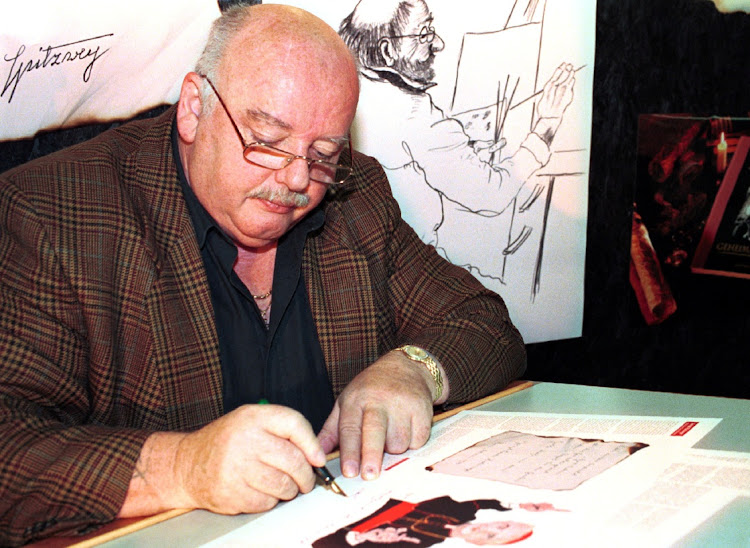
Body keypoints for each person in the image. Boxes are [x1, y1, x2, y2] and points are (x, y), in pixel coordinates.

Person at [0, 4, 526, 545]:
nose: (298, 179)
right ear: (193, 109)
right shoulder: (52, 216)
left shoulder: (354, 197)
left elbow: (482, 324)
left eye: (323, 153)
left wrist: (413, 369)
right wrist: (183, 468)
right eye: (269, 140)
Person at [339, 0, 575, 273]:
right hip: (406, 272)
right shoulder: (411, 112)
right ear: (387, 50)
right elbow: (490, 193)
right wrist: (546, 125)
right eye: (424, 33)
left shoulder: (351, 84)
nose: (437, 43)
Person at [312, 496, 543, 546]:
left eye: (493, 536)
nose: (489, 529)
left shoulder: (420, 543)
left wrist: (360, 537)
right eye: (503, 524)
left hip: (327, 518)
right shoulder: (461, 512)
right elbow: (485, 503)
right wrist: (520, 505)